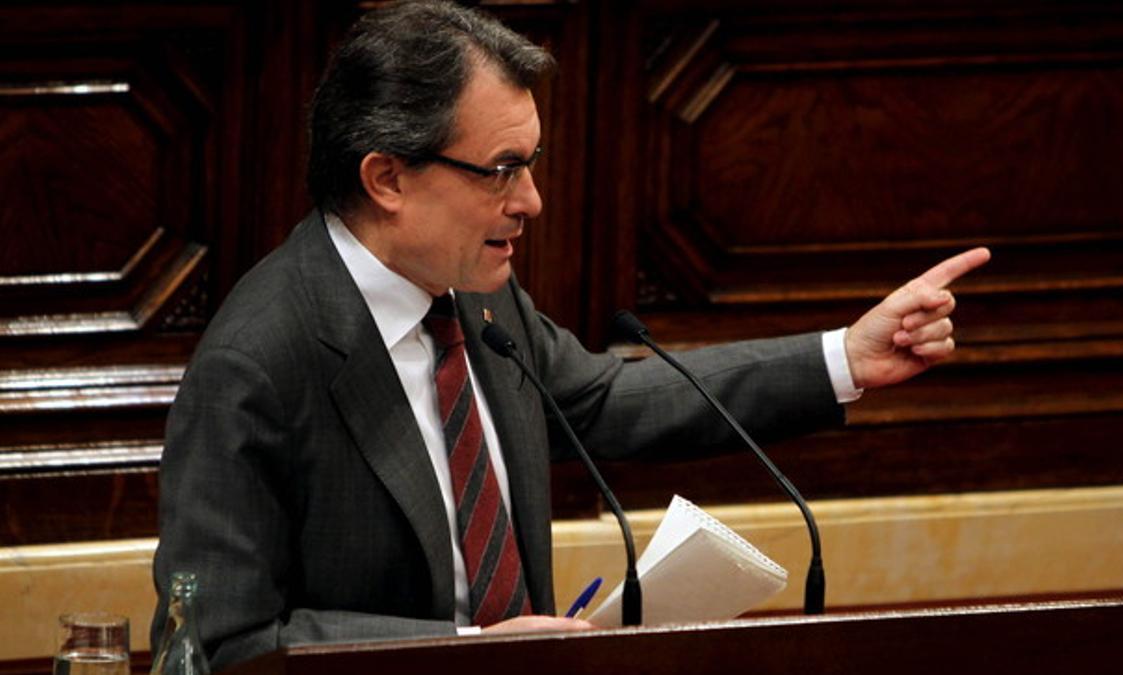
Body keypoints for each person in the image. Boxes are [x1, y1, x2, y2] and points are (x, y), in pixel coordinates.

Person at [150, 0, 990, 669]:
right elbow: (223, 643)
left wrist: (846, 355)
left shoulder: (476, 300)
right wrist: (471, 657)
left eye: (534, 163)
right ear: (388, 176)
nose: (531, 202)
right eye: (502, 169)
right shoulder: (259, 362)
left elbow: (609, 397)